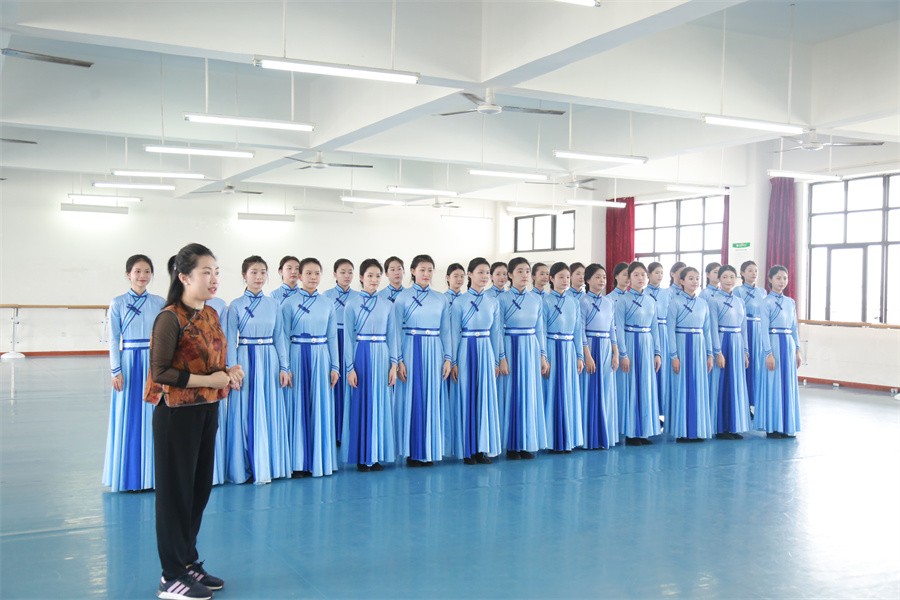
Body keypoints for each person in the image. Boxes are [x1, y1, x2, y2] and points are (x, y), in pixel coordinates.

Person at [145, 243, 242, 600]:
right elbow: (161, 372)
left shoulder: (211, 313)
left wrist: (228, 371)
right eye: (206, 272)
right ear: (184, 277)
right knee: (175, 495)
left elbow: (211, 361)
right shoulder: (169, 318)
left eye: (217, 272)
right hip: (176, 414)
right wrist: (209, 380)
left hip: (207, 409)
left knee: (198, 490)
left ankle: (187, 561)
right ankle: (170, 575)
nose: (214, 278)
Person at [224, 257, 291, 484]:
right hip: (245, 359)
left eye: (263, 272)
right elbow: (229, 341)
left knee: (269, 410)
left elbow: (280, 337)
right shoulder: (235, 305)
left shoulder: (274, 304)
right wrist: (232, 371)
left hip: (270, 360)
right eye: (254, 272)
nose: (259, 277)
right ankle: (243, 467)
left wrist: (284, 367)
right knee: (244, 413)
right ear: (244, 275)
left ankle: (269, 464)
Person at [103, 254, 165, 492]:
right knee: (129, 417)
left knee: (154, 416)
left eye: (147, 271)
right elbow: (113, 339)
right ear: (128, 274)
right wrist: (115, 370)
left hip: (153, 362)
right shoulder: (117, 303)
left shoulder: (159, 302)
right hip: (128, 363)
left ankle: (153, 476)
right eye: (137, 271)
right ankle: (129, 476)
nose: (142, 276)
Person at [282, 258, 341, 478]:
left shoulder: (327, 303)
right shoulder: (288, 303)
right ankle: (298, 463)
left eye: (317, 273)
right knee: (298, 406)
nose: (313, 277)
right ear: (299, 276)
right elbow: (283, 337)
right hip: (297, 355)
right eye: (308, 273)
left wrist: (335, 366)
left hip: (321, 356)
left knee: (320, 406)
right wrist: (285, 367)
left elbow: (332, 336)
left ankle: (319, 461)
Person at [394, 255, 452, 466]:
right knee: (412, 398)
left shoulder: (441, 299)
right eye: (422, 270)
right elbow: (396, 331)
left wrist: (448, 359)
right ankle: (412, 451)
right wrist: (399, 360)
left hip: (434, 350)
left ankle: (430, 449)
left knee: (432, 398)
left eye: (430, 270)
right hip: (411, 348)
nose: (426, 274)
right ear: (412, 271)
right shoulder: (402, 298)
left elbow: (446, 331)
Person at [341, 259, 399, 472]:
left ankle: (376, 455)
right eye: (370, 276)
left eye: (377, 276)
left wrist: (393, 365)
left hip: (382, 355)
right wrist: (350, 368)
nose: (374, 280)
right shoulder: (352, 304)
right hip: (361, 355)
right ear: (361, 278)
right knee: (362, 404)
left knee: (381, 404)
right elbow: (348, 338)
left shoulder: (388, 305)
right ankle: (362, 456)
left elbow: (393, 336)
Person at [448, 258, 505, 464]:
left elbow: (496, 333)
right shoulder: (459, 302)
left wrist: (498, 359)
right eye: (480, 272)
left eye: (487, 272)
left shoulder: (493, 302)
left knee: (485, 398)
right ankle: (467, 450)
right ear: (470, 274)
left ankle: (482, 448)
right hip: (466, 349)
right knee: (467, 397)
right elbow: (453, 333)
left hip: (486, 350)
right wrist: (453, 362)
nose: (485, 276)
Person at [498, 257, 549, 459]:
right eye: (520, 271)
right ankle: (512, 445)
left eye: (527, 271)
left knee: (529, 394)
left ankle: (527, 442)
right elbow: (497, 331)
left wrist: (543, 355)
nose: (525, 275)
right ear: (510, 275)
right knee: (512, 394)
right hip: (510, 347)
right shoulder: (501, 299)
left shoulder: (536, 300)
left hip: (530, 348)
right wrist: (501, 357)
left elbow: (540, 329)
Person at [614, 261, 662, 445]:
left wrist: (657, 352)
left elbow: (655, 328)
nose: (640, 278)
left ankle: (644, 431)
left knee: (646, 387)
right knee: (631, 387)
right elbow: (618, 329)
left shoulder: (651, 301)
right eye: (636, 275)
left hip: (647, 344)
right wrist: (623, 354)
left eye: (643, 274)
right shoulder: (623, 300)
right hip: (630, 343)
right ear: (629, 278)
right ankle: (631, 432)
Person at [665, 267, 714, 443]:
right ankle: (682, 430)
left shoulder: (703, 304)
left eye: (697, 278)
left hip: (699, 347)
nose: (694, 282)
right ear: (682, 281)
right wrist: (674, 356)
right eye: (691, 278)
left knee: (698, 387)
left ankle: (698, 429)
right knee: (682, 387)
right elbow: (670, 331)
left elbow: (707, 330)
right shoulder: (674, 302)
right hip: (681, 345)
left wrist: (710, 354)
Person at [542, 262, 585, 452]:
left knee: (569, 393)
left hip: (569, 350)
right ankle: (551, 441)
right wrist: (544, 356)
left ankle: (568, 439)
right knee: (552, 392)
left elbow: (578, 331)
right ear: (551, 279)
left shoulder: (574, 302)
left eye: (567, 277)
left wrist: (579, 355)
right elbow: (542, 331)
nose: (565, 280)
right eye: (561, 276)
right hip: (552, 347)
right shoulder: (544, 301)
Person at [757, 265, 802, 439]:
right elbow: (763, 330)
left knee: (788, 385)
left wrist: (797, 350)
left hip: (788, 345)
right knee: (773, 384)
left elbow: (794, 327)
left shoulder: (790, 302)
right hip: (774, 345)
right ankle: (773, 426)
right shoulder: (766, 302)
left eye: (785, 278)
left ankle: (787, 425)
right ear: (770, 279)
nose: (782, 281)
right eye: (778, 278)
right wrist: (768, 353)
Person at [708, 265, 751, 440]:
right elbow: (712, 327)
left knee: (736, 384)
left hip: (737, 343)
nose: (728, 280)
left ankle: (734, 426)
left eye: (732, 277)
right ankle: (721, 427)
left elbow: (744, 327)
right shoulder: (713, 300)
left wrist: (745, 351)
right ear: (719, 278)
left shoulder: (740, 301)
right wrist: (717, 351)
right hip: (722, 341)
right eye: (725, 277)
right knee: (722, 384)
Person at [579, 264, 619, 450]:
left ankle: (604, 435)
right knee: (589, 391)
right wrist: (587, 355)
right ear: (587, 280)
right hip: (590, 346)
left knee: (606, 391)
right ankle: (589, 437)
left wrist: (616, 352)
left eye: (604, 277)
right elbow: (580, 331)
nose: (602, 280)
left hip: (606, 348)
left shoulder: (609, 302)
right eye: (597, 277)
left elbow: (612, 330)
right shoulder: (582, 301)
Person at [323, 259, 357, 448]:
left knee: (352, 386)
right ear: (335, 274)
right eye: (342, 272)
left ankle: (350, 430)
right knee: (334, 385)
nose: (347, 276)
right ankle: (334, 431)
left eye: (350, 272)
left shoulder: (358, 297)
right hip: (333, 340)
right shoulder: (326, 296)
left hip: (352, 341)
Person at [202, 275, 229, 487]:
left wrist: (225, 369)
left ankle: (213, 472)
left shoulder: (217, 307)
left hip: (214, 369)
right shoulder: (173, 309)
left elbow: (223, 340)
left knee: (212, 421)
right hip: (191, 372)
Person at [734, 260, 764, 415]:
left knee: (759, 366)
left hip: (760, 330)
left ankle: (758, 403)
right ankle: (744, 404)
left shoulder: (762, 292)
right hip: (745, 329)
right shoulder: (738, 291)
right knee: (746, 366)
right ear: (742, 273)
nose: (754, 273)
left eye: (756, 270)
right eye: (750, 270)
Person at [442, 262, 466, 450]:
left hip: (463, 348)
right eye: (455, 276)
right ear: (447, 278)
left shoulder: (467, 300)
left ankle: (460, 436)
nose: (459, 279)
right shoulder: (441, 299)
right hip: (444, 350)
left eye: (462, 276)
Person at [645, 261, 671, 421]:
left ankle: (664, 411)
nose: (660, 275)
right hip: (650, 332)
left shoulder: (667, 293)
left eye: (662, 272)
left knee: (665, 372)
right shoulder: (644, 292)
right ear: (648, 274)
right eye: (656, 272)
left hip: (665, 332)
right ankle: (651, 412)